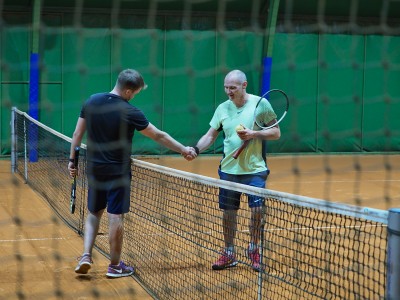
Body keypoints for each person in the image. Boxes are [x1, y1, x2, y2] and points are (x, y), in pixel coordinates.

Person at [68, 68, 196, 278]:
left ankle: (85, 255)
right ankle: (115, 266)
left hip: (94, 168)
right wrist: (183, 149)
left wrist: (72, 160)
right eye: (135, 93)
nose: (134, 97)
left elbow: (76, 134)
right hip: (118, 171)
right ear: (128, 91)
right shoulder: (130, 111)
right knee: (115, 215)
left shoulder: (91, 101)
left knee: (94, 212)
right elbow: (158, 135)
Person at [193, 70, 280, 272]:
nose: (228, 91)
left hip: (255, 169)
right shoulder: (222, 108)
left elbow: (276, 132)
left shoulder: (260, 104)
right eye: (226, 87)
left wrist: (254, 133)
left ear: (244, 85)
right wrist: (196, 150)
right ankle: (229, 252)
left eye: (232, 87)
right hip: (229, 170)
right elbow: (210, 135)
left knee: (257, 211)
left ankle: (254, 248)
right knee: (229, 213)